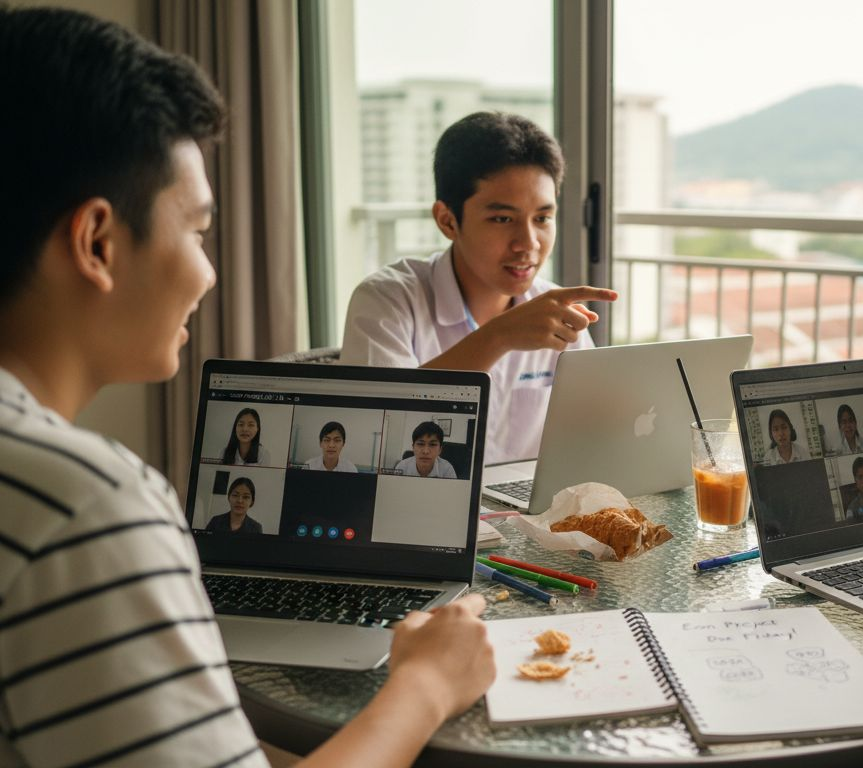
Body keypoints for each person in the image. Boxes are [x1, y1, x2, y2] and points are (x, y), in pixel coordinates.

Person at [0, 8, 494, 766]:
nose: (208, 273)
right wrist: (426, 685)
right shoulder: (89, 508)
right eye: (196, 232)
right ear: (98, 243)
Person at [340, 111, 619, 465]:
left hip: (526, 515)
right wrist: (498, 336)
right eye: (502, 219)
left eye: (542, 218)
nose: (527, 243)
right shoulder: (386, 300)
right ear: (447, 220)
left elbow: (594, 436)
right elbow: (375, 439)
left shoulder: (557, 312)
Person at [393, 421, 457, 478]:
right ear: (413, 448)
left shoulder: (447, 470)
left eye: (432, 445)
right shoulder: (402, 467)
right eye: (420, 444)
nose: (425, 451)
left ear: (440, 450)